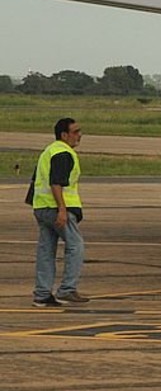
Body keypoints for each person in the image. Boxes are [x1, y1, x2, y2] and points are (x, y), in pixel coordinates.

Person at [27, 118, 90, 306]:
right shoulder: (63, 153)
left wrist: (36, 208)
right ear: (64, 135)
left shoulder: (49, 151)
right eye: (76, 131)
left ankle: (42, 294)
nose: (79, 135)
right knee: (75, 246)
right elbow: (56, 183)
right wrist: (62, 209)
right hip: (57, 209)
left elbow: (36, 180)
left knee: (46, 250)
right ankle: (67, 289)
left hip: (42, 208)